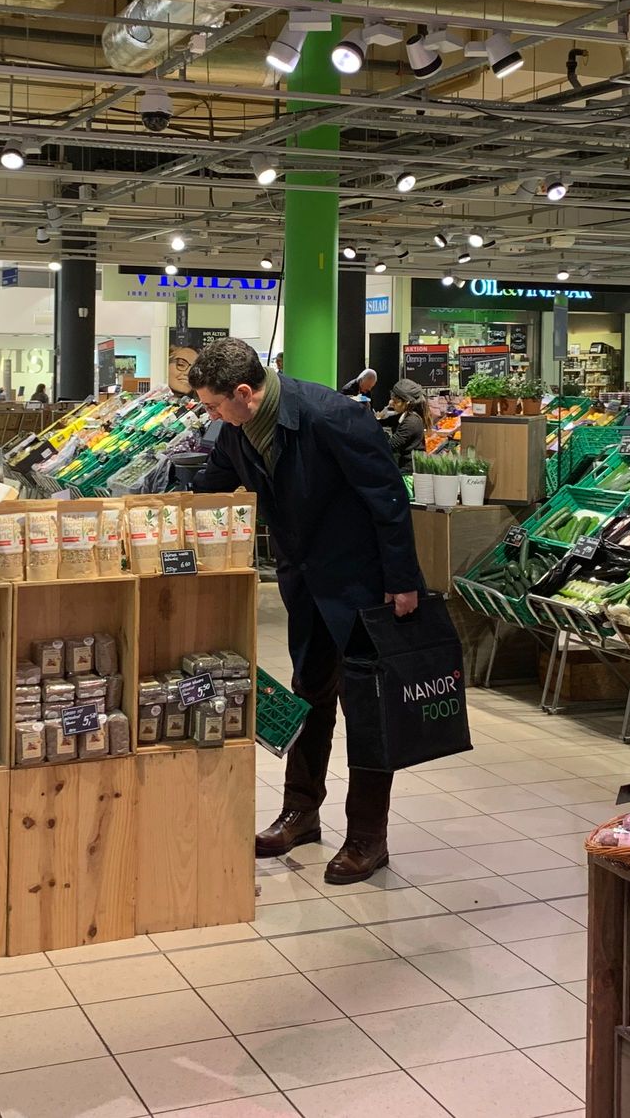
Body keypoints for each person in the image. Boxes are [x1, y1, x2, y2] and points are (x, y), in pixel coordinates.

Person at [189, 339, 422, 884]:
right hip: (305, 584)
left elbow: (387, 496)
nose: (211, 416)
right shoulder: (237, 430)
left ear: (243, 393)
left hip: (361, 584)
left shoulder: (332, 416)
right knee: (309, 695)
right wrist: (151, 514)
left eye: (214, 405)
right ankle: (300, 813)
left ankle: (368, 837)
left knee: (368, 708)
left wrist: (403, 580)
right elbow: (210, 484)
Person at [380, 381, 428, 472]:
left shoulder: (411, 421)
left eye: (396, 401)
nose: (391, 403)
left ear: (407, 402)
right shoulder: (406, 415)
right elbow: (385, 422)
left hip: (409, 470)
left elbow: (392, 444)